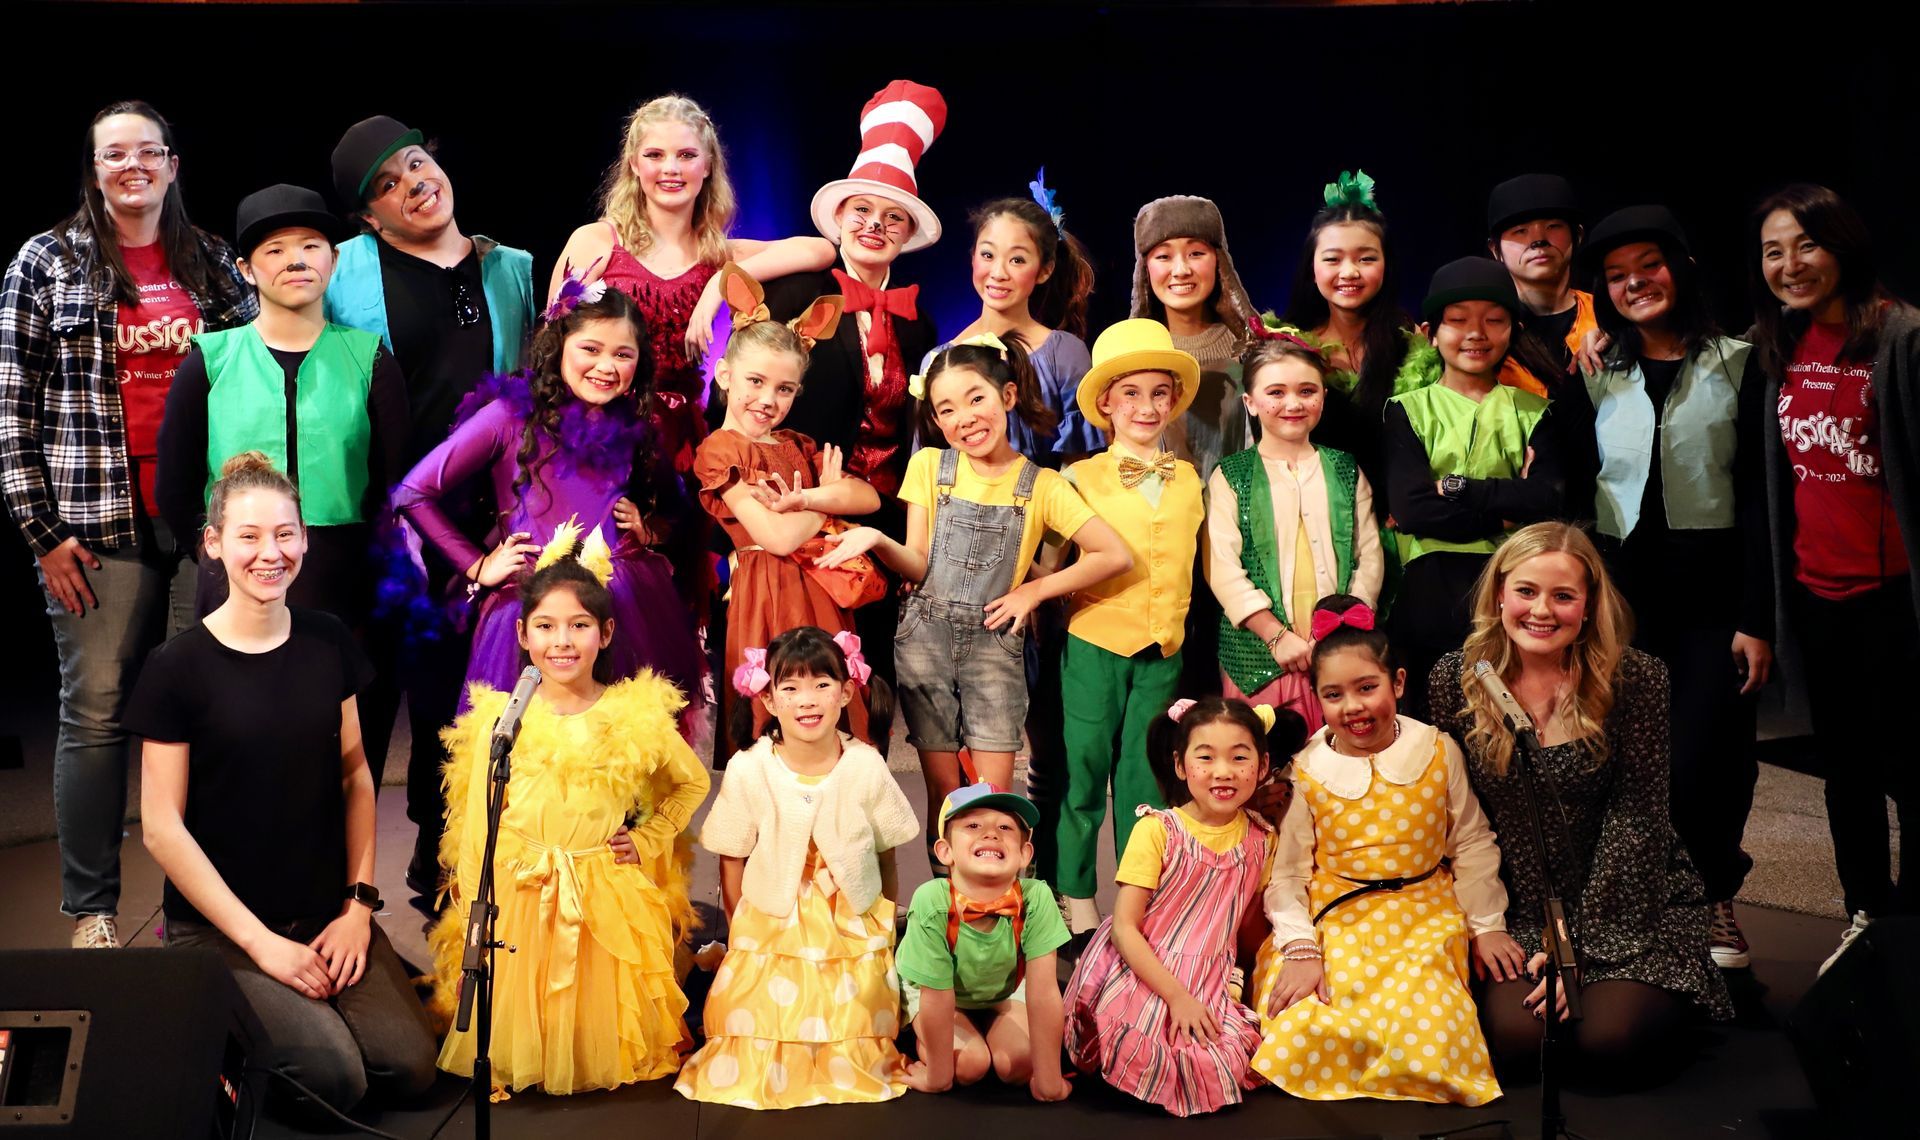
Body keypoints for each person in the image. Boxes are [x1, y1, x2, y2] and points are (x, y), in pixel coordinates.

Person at [1, 100, 254, 949]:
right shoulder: (45, 263)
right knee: (98, 713)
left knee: (203, 708)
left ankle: (197, 906)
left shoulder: (217, 266)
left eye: (149, 152)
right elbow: (13, 411)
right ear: (94, 168)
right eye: (116, 154)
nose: (133, 166)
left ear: (173, 165)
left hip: (202, 525)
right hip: (95, 526)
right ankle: (92, 913)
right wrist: (41, 531)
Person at [127, 453, 435, 1121]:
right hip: (222, 931)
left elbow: (356, 775)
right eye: (248, 536)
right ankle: (209, 1019)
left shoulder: (326, 641)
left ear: (304, 537)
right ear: (212, 544)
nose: (271, 553)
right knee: (336, 1082)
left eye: (285, 534)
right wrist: (261, 945)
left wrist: (358, 908)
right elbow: (161, 826)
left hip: (325, 912)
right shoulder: (175, 668)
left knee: (409, 1069)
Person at [1431, 522, 1733, 1084]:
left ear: (1589, 605)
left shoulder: (1636, 678)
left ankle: (1674, 999)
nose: (1541, 610)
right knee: (1523, 1042)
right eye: (1526, 591)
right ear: (1499, 594)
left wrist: (1579, 949)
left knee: (1605, 1042)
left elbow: (1639, 819)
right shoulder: (1458, 679)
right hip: (1517, 906)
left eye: (1563, 595)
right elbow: (1455, 814)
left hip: (1627, 898)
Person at [325, 115, 539, 892]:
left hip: (480, 520)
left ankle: (440, 854)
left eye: (416, 164)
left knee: (465, 693)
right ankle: (341, 886)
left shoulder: (510, 267)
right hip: (381, 514)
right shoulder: (343, 269)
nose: (413, 185)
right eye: (387, 185)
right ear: (369, 215)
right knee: (373, 690)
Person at [819, 335, 1130, 859]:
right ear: (936, 422)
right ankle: (948, 916)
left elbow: (1112, 554)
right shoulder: (930, 469)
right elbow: (918, 562)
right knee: (943, 796)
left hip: (994, 648)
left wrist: (1033, 590)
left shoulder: (1043, 486)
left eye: (976, 398)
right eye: (946, 408)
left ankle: (999, 915)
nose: (964, 416)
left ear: (1007, 396)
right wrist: (876, 539)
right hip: (925, 641)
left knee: (993, 803)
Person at [430, 543, 710, 1095]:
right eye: (546, 626)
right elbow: (479, 820)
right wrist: (471, 904)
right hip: (521, 888)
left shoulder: (632, 714)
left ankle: (585, 1055)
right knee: (526, 992)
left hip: (599, 884)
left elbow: (691, 781)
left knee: (594, 994)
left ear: (604, 634)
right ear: (523, 636)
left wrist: (651, 836)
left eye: (578, 626)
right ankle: (534, 1053)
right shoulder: (503, 720)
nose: (562, 642)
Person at [1581, 204, 1771, 968]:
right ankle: (1638, 904)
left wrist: (1757, 615)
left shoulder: (1740, 362)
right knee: (1625, 756)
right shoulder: (1600, 369)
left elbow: (1761, 495)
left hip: (1713, 592)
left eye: (1648, 268)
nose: (1635, 286)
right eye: (1619, 278)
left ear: (1683, 269)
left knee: (1711, 754)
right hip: (1621, 594)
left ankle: (1714, 897)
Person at [1746, 184, 1920, 967]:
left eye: (1804, 245)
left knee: (1910, 769)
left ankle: (1913, 924)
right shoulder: (1780, 345)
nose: (1790, 265)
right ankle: (1863, 914)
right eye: (1773, 250)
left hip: (1896, 597)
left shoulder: (1901, 338)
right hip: (1818, 595)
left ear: (1842, 244)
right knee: (1844, 768)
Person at [393, 281, 704, 714]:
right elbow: (412, 492)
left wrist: (651, 529)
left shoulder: (637, 425)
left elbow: (680, 504)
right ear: (560, 346)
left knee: (619, 746)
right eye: (590, 349)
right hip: (534, 602)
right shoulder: (508, 417)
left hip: (623, 601)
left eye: (622, 354)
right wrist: (477, 564)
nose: (606, 366)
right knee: (532, 749)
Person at [1248, 596, 1509, 1105]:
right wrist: (1301, 949)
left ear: (1399, 684)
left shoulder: (1437, 749)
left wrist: (1487, 925)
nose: (1354, 707)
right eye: (1334, 694)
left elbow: (1472, 840)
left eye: (1367, 688)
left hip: (1424, 915)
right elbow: (1288, 874)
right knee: (1302, 1021)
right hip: (1337, 914)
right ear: (1318, 700)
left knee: (1431, 1031)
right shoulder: (1307, 770)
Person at [749, 80, 951, 709]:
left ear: (906, 234)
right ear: (839, 217)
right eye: (862, 210)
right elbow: (751, 396)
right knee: (806, 670)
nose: (874, 226)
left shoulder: (919, 321)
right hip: (802, 506)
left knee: (879, 676)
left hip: (886, 511)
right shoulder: (796, 290)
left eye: (892, 218)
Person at [676, 627, 921, 1108]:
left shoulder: (865, 764)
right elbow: (732, 854)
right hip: (772, 914)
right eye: (789, 688)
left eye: (822, 685)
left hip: (847, 917)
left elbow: (886, 852)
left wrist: (884, 922)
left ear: (846, 690)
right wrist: (741, 927)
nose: (807, 701)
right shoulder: (752, 767)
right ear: (767, 698)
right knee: (753, 1014)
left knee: (855, 1006)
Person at [154, 184, 408, 637]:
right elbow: (176, 482)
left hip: (343, 574)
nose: (296, 260)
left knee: (347, 701)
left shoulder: (370, 359)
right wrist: (218, 549)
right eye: (275, 250)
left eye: (311, 246)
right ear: (246, 269)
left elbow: (396, 476)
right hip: (235, 571)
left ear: (334, 259)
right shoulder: (210, 361)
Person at [557, 94, 836, 476]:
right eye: (655, 155)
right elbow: (551, 346)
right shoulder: (599, 241)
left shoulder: (720, 255)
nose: (671, 168)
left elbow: (819, 250)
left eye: (686, 155)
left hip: (680, 442)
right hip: (600, 432)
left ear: (707, 167)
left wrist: (718, 283)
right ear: (634, 165)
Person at [1061, 696, 1298, 1117]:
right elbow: (1125, 928)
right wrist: (1177, 997)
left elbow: (1242, 926)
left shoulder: (1261, 840)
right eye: (1205, 757)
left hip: (1209, 973)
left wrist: (1234, 983)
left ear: (1262, 767)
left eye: (1239, 757)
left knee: (1216, 1057)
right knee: (1150, 1045)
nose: (1223, 772)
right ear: (1180, 764)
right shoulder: (1158, 830)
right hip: (1145, 966)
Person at [1053, 320, 1204, 935]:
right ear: (1108, 404)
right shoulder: (1077, 477)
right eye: (1131, 394)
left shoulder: (1190, 477)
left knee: (1147, 775)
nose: (1146, 406)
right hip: (1096, 641)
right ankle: (1075, 894)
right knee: (1085, 767)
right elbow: (1047, 561)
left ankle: (1137, 896)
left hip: (1162, 645)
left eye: (1158, 394)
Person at [693, 265, 878, 751]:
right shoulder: (720, 451)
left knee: (830, 720)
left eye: (784, 389)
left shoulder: (798, 443)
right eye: (755, 381)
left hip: (820, 594)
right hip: (766, 600)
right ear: (725, 374)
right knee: (771, 726)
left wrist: (811, 498)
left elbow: (868, 498)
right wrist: (822, 505)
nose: (767, 399)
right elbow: (776, 538)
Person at [1384, 258, 1566, 719]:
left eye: (1494, 320)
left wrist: (1455, 489)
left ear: (1513, 329)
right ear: (1431, 331)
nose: (1476, 333)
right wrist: (1507, 508)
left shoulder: (1536, 409)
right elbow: (1413, 511)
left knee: (1510, 722)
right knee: (1432, 725)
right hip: (1430, 587)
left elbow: (1548, 499)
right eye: (1458, 320)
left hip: (1514, 585)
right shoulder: (1405, 410)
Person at [1209, 328, 1384, 731]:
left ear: (1323, 397)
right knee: (1267, 760)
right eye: (1276, 392)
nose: (1293, 403)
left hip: (1339, 647)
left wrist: (1345, 626)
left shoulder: (1343, 468)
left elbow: (1369, 554)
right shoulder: (1231, 475)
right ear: (1250, 403)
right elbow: (1222, 567)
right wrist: (1275, 636)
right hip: (1261, 655)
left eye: (1307, 391)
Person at [897, 783, 1073, 1101]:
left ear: (1024, 853)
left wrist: (1050, 1083)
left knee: (1018, 1063)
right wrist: (938, 1077)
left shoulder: (1036, 898)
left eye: (1005, 827)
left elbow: (1044, 991)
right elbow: (936, 995)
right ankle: (932, 1047)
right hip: (935, 993)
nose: (991, 833)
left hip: (1002, 988)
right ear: (945, 851)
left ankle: (989, 1030)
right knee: (968, 1065)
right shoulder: (932, 901)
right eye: (973, 825)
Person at [923, 182, 1099, 463]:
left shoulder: (1064, 354)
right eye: (988, 255)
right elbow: (928, 470)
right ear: (973, 258)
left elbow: (1078, 466)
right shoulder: (939, 360)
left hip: (1048, 504)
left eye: (1017, 260)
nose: (998, 272)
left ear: (1044, 270)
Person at [1281, 170, 1423, 493]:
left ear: (1386, 265)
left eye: (1366, 258)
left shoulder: (1410, 341)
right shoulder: (1291, 344)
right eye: (1333, 259)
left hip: (1399, 511)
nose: (1350, 272)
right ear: (1312, 268)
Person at [1485, 173, 1600, 516]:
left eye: (1552, 227)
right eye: (1520, 232)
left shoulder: (1609, 320)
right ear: (1495, 250)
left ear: (1577, 236)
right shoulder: (1480, 337)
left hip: (1610, 513)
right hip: (1517, 516)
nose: (1538, 240)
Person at [1127, 195, 1259, 480]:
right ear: (1144, 269)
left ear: (1219, 262)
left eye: (1196, 253)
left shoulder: (1255, 349)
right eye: (1163, 256)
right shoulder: (1129, 356)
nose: (1181, 270)